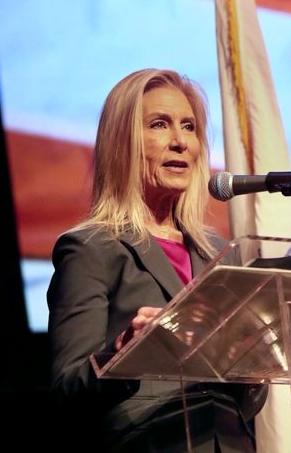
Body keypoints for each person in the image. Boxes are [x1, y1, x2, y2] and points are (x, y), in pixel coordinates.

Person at [47, 69, 266, 452]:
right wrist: (125, 353)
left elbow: (245, 399)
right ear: (123, 143)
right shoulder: (90, 249)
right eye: (159, 125)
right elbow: (68, 390)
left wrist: (252, 360)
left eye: (189, 127)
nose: (180, 142)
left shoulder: (221, 253)